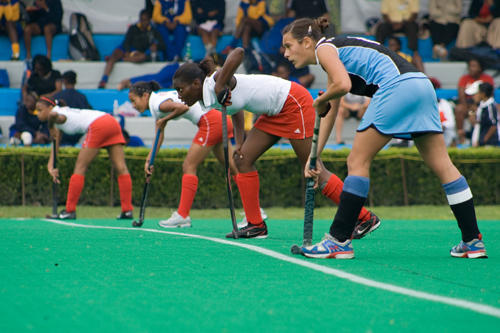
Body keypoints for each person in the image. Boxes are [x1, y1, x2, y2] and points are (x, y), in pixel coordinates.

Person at [282, 17, 487, 259]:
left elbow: (343, 84)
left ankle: (338, 240)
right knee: (444, 165)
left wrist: (320, 99)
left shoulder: (324, 48)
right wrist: (314, 156)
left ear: (306, 42)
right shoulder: (334, 54)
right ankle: (472, 240)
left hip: (397, 87)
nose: (285, 54)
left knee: (356, 162)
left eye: (288, 46)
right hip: (421, 85)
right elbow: (333, 109)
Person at [172, 53, 380, 239]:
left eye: (181, 90)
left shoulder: (214, 82)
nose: (179, 96)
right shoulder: (206, 98)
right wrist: (240, 143)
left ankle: (364, 218)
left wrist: (219, 87)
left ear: (197, 83)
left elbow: (238, 53)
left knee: (314, 169)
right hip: (273, 112)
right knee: (242, 160)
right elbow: (235, 106)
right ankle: (256, 225)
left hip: (293, 102)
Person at [127, 81, 254, 228]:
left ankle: (182, 215)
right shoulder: (158, 101)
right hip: (219, 119)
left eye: (133, 101)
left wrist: (165, 119)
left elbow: (183, 107)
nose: (133, 106)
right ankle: (255, 211)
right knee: (233, 169)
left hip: (210, 121)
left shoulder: (157, 104)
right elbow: (159, 133)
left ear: (144, 96)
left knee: (189, 166)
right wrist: (150, 159)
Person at [36, 96, 134, 220]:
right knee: (121, 168)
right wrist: (50, 166)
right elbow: (56, 145)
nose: (37, 114)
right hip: (111, 121)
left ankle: (70, 210)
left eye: (39, 110)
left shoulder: (59, 114)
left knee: (80, 167)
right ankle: (127, 210)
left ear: (50, 107)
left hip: (99, 124)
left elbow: (53, 115)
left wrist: (50, 127)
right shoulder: (63, 115)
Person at [98, 9, 165, 89]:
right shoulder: (133, 28)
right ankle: (104, 79)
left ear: (149, 20)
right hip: (126, 50)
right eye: (142, 20)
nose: (144, 22)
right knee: (115, 54)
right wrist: (127, 51)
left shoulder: (154, 31)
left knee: (142, 57)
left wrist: (156, 45)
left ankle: (120, 60)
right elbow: (126, 41)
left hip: (137, 53)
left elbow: (163, 46)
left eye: (146, 20)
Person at [375, 0, 424, 73]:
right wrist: (392, 23)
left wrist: (403, 24)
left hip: (407, 23)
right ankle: (378, 51)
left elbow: (414, 14)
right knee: (381, 27)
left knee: (412, 27)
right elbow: (384, 14)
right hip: (391, 23)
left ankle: (414, 52)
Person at [455, 58, 494, 143]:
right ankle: (462, 136)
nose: (471, 68)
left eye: (474, 66)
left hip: (481, 106)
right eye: (470, 66)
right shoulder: (464, 78)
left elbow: (493, 125)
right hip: (469, 105)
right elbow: (461, 97)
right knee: (460, 109)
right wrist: (471, 109)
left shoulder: (487, 78)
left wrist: (484, 139)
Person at [54, 70, 91, 146]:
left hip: (62, 134)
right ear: (75, 81)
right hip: (78, 133)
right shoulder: (82, 97)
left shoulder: (57, 97)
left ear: (64, 81)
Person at [466, 81, 499, 147]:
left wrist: (484, 140)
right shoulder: (481, 106)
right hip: (481, 141)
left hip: (489, 143)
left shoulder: (490, 107)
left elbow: (493, 125)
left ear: (482, 93)